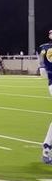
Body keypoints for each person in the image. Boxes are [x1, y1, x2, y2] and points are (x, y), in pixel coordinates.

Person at [38, 30, 52, 164]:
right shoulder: (47, 49)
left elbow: (42, 72)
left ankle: (47, 147)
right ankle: (46, 148)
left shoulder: (44, 48)